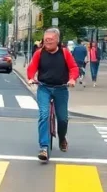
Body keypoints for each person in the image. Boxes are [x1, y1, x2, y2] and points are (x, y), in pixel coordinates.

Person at [26, 28, 78, 163]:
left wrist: (72, 79)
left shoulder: (65, 53)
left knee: (63, 118)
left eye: (51, 40)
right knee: (44, 115)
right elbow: (32, 67)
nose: (47, 42)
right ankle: (44, 147)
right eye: (46, 40)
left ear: (57, 40)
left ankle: (62, 138)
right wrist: (31, 78)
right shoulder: (39, 53)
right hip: (44, 88)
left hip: (61, 89)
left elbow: (73, 68)